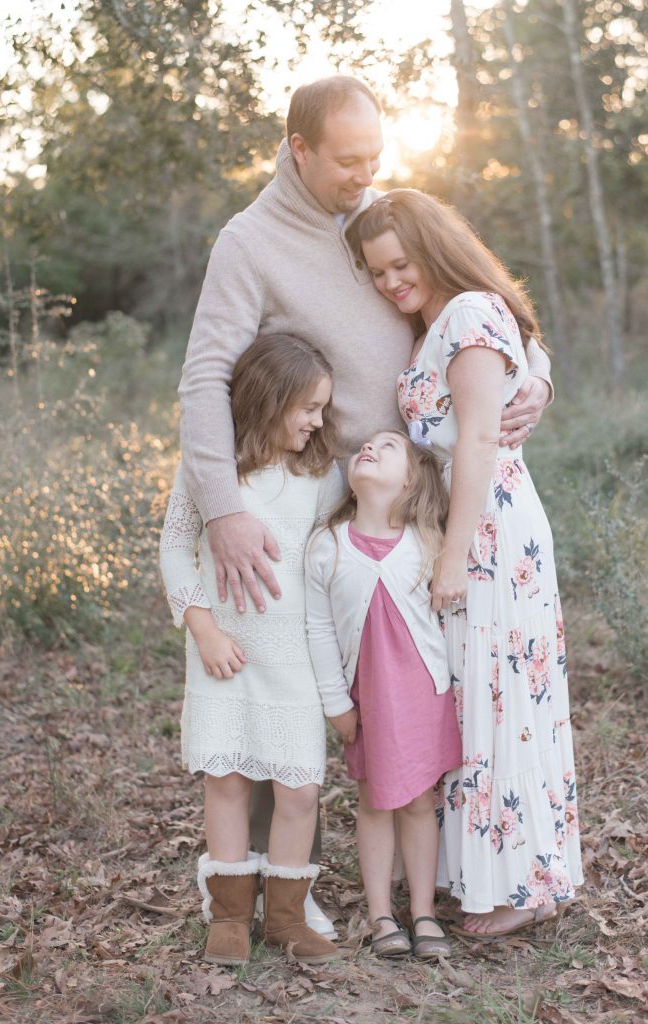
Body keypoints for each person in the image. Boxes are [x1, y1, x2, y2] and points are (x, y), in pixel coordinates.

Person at [178, 75, 555, 930]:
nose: (364, 178)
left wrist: (538, 377)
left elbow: (485, 307)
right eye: (348, 162)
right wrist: (224, 509)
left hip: (433, 502)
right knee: (302, 681)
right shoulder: (248, 243)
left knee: (440, 684)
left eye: (374, 159)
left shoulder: (384, 217)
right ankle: (270, 893)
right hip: (330, 503)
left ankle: (462, 871)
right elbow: (204, 375)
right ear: (298, 148)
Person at [348, 189, 583, 939]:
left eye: (398, 263)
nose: (389, 281)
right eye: (375, 271)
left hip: (487, 529)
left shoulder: (471, 314)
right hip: (462, 520)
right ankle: (496, 871)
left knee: (501, 699)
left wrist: (453, 554)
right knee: (476, 695)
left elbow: (478, 439)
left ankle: (520, 885)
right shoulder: (441, 323)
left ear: (431, 246)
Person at [160, 334, 345, 966]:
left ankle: (286, 919)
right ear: (271, 399)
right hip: (224, 654)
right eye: (309, 407)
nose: (318, 421)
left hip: (291, 655)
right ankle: (231, 916)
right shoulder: (209, 469)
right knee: (228, 780)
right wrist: (204, 630)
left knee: (298, 791)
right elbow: (173, 549)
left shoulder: (318, 475)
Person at [305, 430, 462, 959]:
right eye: (365, 446)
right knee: (374, 801)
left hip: (421, 695)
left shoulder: (428, 541)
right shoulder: (329, 543)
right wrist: (336, 704)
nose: (368, 449)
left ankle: (423, 911)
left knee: (420, 801)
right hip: (367, 699)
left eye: (388, 446)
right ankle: (380, 915)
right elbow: (319, 630)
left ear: (412, 478)